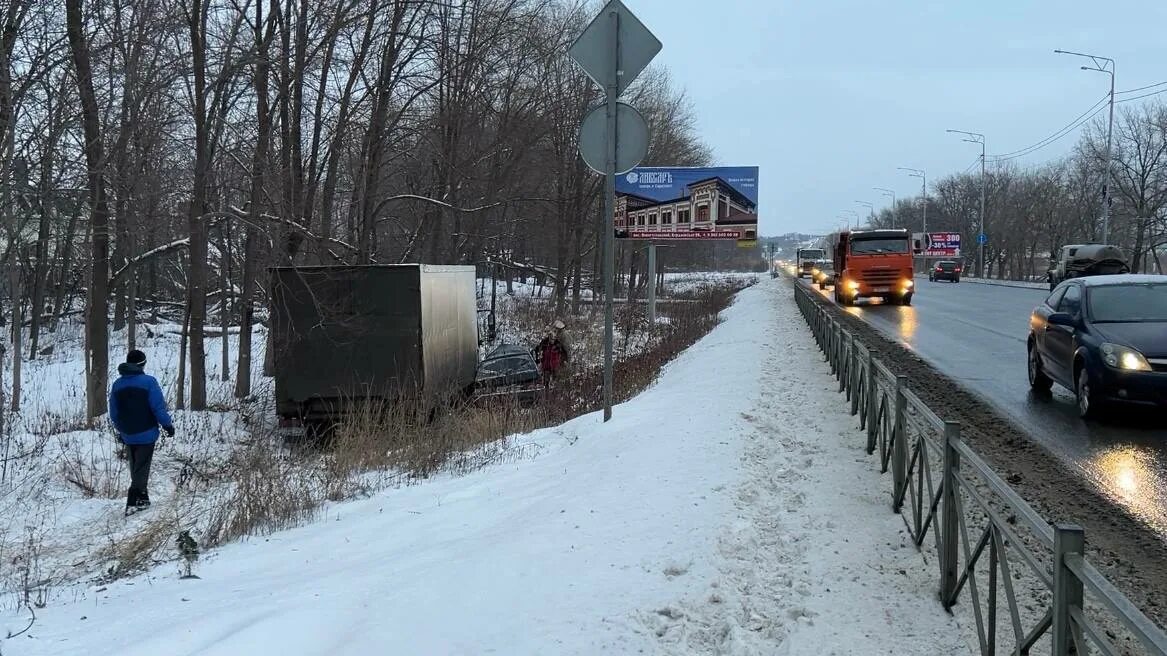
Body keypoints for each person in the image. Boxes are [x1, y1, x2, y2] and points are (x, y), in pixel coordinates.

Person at [109, 350, 174, 516]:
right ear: (142, 364)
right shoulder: (149, 382)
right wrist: (167, 425)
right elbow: (157, 407)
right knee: (142, 465)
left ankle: (143, 497)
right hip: (146, 430)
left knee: (135, 464)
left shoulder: (117, 384)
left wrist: (121, 428)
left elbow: (114, 412)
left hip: (127, 432)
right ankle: (133, 498)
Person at [535, 320, 571, 386]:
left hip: (555, 367)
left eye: (554, 336)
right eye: (551, 336)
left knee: (554, 382)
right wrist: (538, 360)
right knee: (546, 383)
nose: (553, 337)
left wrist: (565, 361)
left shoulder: (558, 344)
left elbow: (565, 352)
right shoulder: (544, 343)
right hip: (546, 367)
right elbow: (537, 350)